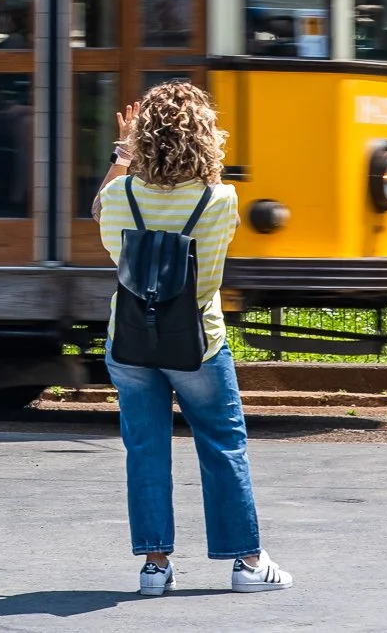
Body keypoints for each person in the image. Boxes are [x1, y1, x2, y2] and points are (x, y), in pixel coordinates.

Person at [95, 82, 292, 598]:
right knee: (223, 445)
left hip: (131, 343)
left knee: (145, 450)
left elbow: (98, 212)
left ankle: (155, 568)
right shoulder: (220, 198)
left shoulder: (119, 195)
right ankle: (246, 564)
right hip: (197, 343)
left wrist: (123, 155)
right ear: (205, 136)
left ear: (142, 136)